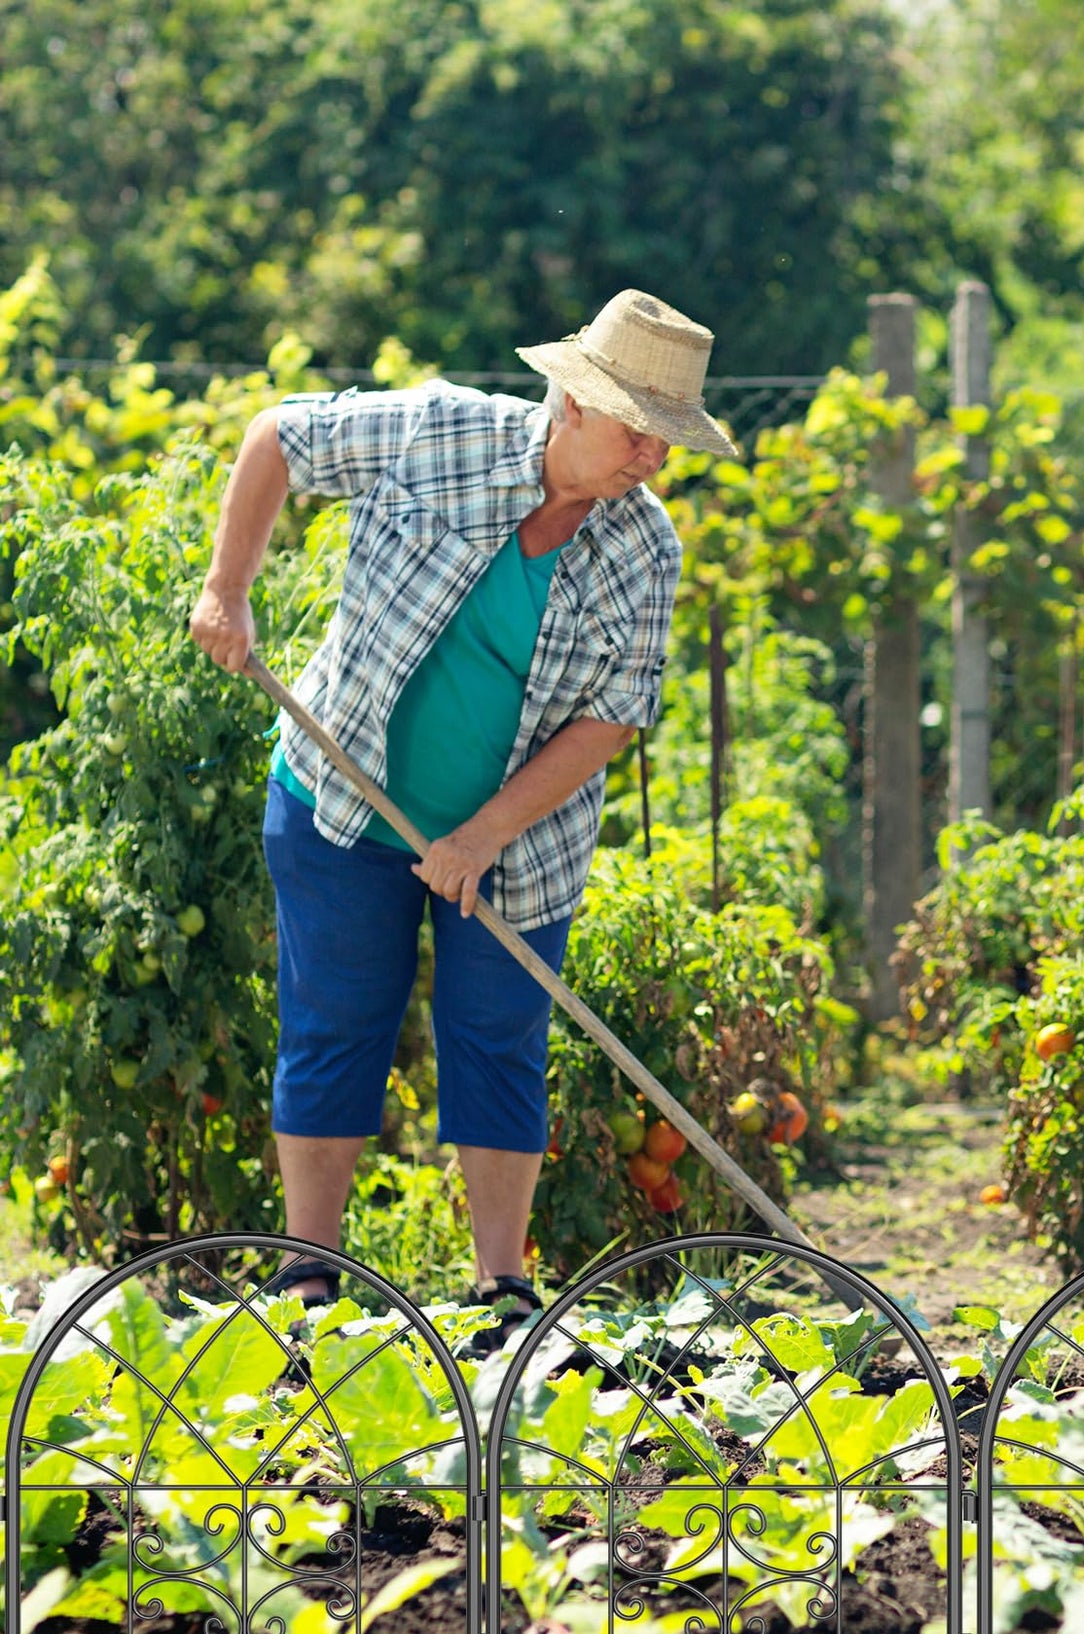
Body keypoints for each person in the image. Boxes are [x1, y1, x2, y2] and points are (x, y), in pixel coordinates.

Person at [190, 288, 736, 1321]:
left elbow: (613, 717)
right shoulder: (439, 430)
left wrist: (483, 833)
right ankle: (311, 1273)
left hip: (518, 844)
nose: (653, 459)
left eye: (668, 441)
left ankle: (502, 1289)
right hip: (341, 802)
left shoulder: (643, 547)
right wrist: (229, 585)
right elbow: (277, 438)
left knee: (497, 1035)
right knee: (335, 1020)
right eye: (640, 433)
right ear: (572, 402)